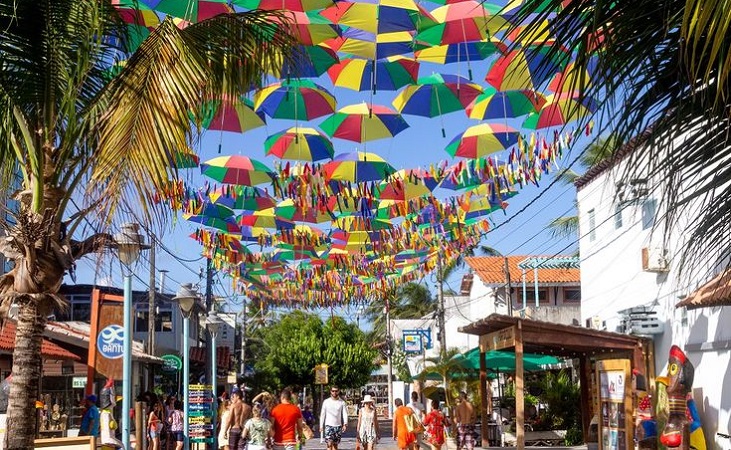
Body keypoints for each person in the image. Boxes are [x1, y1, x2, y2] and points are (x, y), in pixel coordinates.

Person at [319, 386, 348, 450]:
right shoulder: (326, 402)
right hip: (328, 426)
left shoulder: (342, 402)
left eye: (336, 391)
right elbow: (322, 414)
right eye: (333, 391)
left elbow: (345, 413)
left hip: (338, 426)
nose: (334, 392)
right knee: (329, 445)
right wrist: (321, 426)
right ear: (330, 392)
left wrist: (345, 424)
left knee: (335, 445)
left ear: (338, 391)